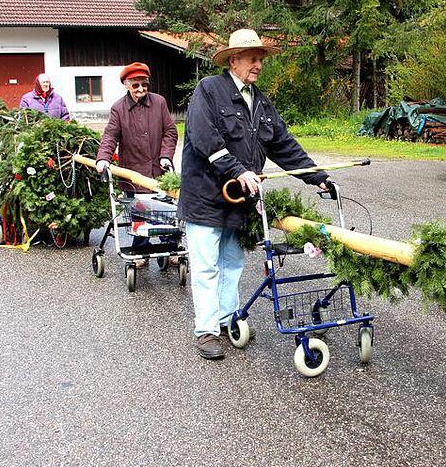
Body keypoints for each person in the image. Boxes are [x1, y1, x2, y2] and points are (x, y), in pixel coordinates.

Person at [177, 28, 332, 360]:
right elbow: (205, 139)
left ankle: (227, 319)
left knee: (232, 262)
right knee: (205, 266)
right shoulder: (209, 91)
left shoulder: (261, 101)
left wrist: (316, 176)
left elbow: (283, 144)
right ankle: (206, 330)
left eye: (261, 58)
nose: (259, 64)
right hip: (205, 196)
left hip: (239, 200)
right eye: (253, 58)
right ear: (234, 60)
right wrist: (238, 170)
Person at [95, 62, 178, 248]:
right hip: (133, 172)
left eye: (145, 84)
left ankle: (170, 245)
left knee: (165, 208)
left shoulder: (159, 102)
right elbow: (110, 136)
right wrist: (103, 158)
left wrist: (166, 155)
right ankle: (140, 248)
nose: (141, 89)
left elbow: (170, 131)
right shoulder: (119, 108)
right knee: (139, 212)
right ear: (126, 84)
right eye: (136, 85)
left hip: (159, 170)